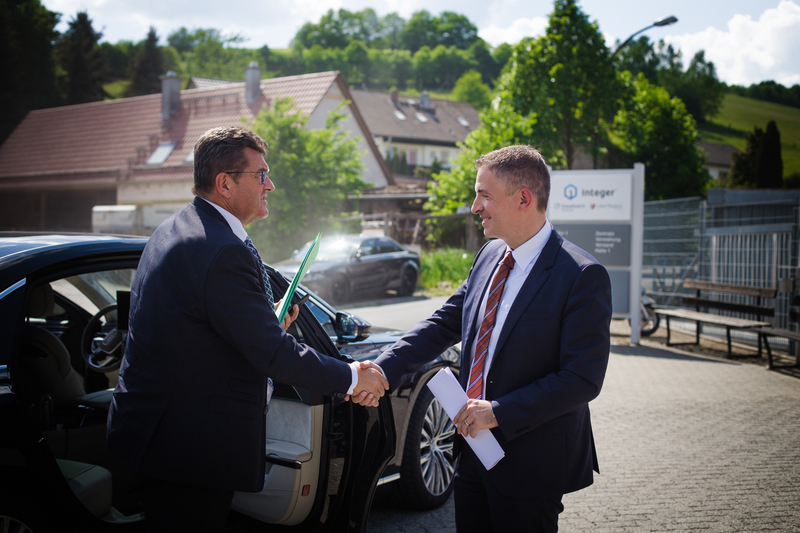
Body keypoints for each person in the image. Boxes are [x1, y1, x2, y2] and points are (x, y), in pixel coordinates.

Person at [106, 126, 388, 532]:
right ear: (224, 183)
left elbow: (202, 323)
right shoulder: (222, 250)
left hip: (161, 435)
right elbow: (272, 353)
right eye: (261, 175)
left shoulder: (178, 228)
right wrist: (352, 375)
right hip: (190, 450)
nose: (270, 185)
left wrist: (264, 317)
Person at [359, 145, 612, 532]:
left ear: (524, 198)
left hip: (531, 462)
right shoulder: (489, 255)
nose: (474, 206)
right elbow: (443, 324)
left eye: (484, 194)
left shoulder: (581, 275)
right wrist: (380, 369)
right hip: (472, 452)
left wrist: (498, 411)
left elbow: (581, 379)